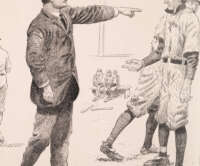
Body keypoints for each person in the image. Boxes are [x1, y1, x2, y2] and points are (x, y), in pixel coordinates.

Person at [21, 0, 139, 165]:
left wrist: (117, 11)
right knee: (41, 138)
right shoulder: (38, 25)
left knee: (62, 140)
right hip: (50, 93)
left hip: (68, 88)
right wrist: (44, 85)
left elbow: (91, 13)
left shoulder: (66, 14)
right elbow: (34, 57)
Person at [98, 0, 174, 161]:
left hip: (162, 72)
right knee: (133, 109)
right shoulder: (167, 22)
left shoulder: (172, 19)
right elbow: (158, 53)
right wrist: (142, 63)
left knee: (156, 110)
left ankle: (146, 145)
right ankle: (108, 143)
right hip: (154, 73)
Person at [144, 0, 200, 165]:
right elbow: (158, 50)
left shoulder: (190, 18)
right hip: (164, 68)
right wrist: (142, 62)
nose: (165, 1)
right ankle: (163, 158)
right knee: (162, 116)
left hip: (179, 70)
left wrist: (188, 83)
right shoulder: (165, 18)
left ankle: (179, 163)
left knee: (177, 119)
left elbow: (192, 55)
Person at [0, 38, 11, 144]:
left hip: (2, 82)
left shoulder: (4, 53)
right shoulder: (4, 53)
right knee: (0, 108)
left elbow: (9, 68)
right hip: (2, 80)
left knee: (1, 108)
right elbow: (8, 69)